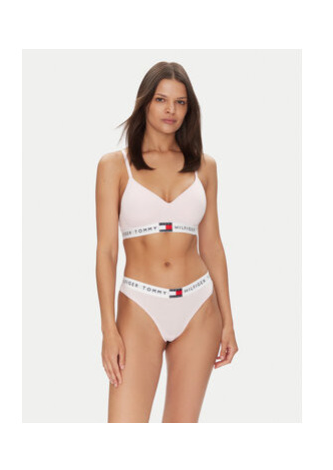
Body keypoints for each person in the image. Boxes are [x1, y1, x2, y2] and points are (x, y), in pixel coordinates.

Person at [95, 61, 238, 423]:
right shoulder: (115, 166)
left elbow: (213, 246)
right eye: (161, 99)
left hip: (199, 307)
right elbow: (107, 251)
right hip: (140, 307)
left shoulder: (204, 166)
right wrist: (108, 328)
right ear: (145, 102)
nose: (171, 109)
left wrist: (228, 321)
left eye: (180, 102)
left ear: (190, 109)